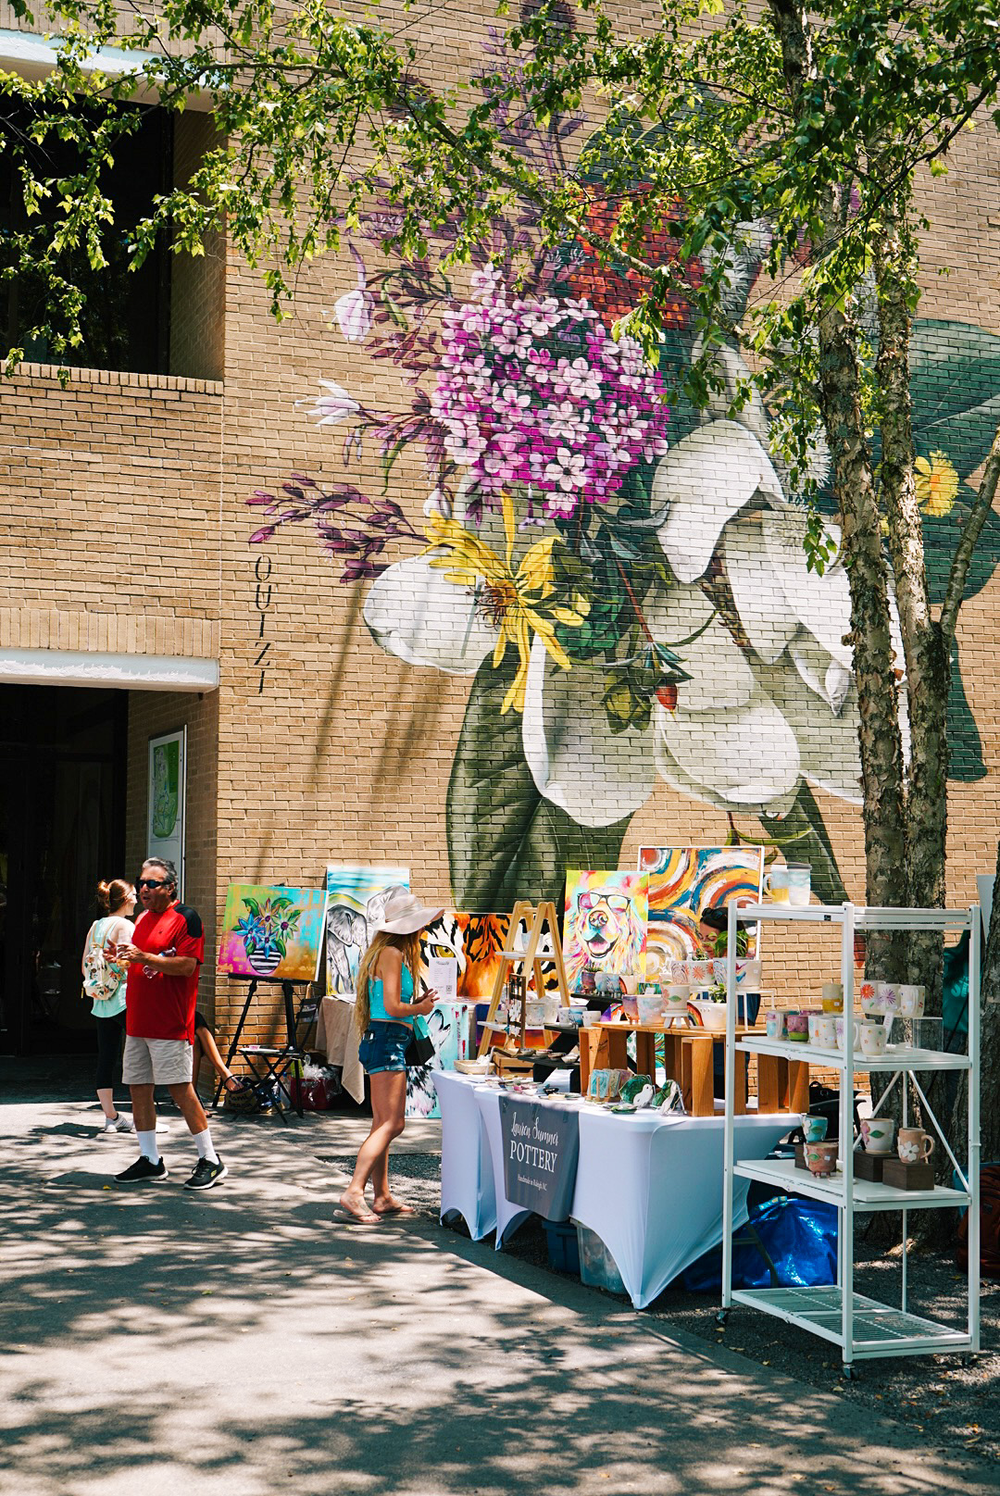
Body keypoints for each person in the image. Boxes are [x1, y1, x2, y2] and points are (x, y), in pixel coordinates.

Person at [113, 857, 226, 1191]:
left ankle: (211, 1159)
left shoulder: (186, 918)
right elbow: (140, 960)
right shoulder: (143, 918)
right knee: (138, 1089)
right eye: (141, 882)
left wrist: (143, 958)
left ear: (170, 887)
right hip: (138, 1022)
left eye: (153, 883)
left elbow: (187, 966)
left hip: (170, 1023)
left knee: (180, 1090)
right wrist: (121, 960)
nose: (144, 889)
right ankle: (150, 1160)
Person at [338, 888, 443, 1224]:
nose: (423, 932)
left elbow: (390, 1004)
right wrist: (422, 1007)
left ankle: (381, 1195)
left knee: (381, 1123)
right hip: (388, 1041)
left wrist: (417, 1003)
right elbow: (396, 1007)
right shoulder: (393, 954)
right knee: (392, 1123)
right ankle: (355, 1191)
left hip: (382, 1039)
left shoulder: (383, 952)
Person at [82, 878, 136, 1135]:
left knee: (106, 1058)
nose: (137, 899)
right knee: (142, 1056)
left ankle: (111, 1117)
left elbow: (85, 963)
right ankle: (146, 1119)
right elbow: (126, 963)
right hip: (123, 998)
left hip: (100, 1000)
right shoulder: (124, 925)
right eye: (134, 895)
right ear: (125, 900)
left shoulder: (96, 925)